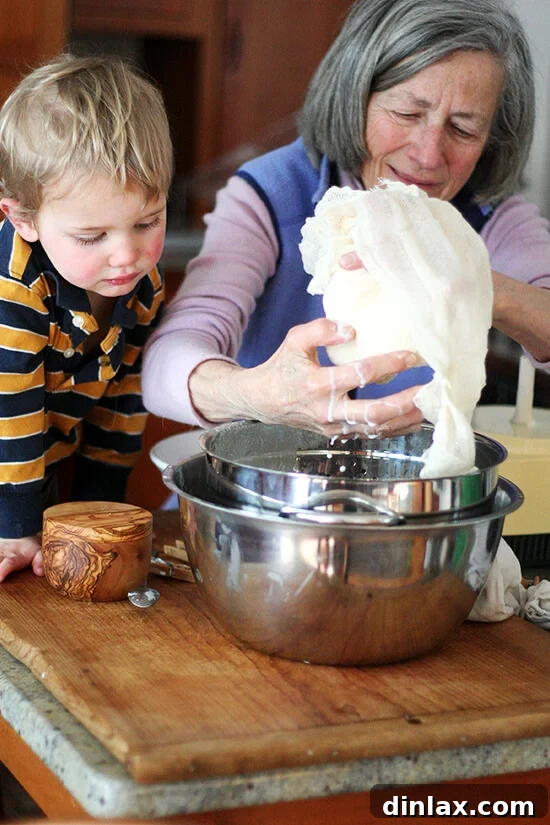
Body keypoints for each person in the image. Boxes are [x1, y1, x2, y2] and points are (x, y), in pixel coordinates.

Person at [142, 0, 550, 441]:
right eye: (407, 114)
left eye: (464, 129)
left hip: (409, 499)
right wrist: (258, 394)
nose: (429, 155)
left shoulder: (490, 218)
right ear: (355, 95)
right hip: (257, 490)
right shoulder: (272, 194)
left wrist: (480, 285)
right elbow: (166, 364)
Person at [0, 54, 173, 582]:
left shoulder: (142, 291)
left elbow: (122, 405)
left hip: (35, 470)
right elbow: (11, 415)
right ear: (23, 218)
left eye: (147, 222)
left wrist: (100, 514)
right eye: (92, 237)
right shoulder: (14, 288)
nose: (127, 255)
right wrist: (15, 525)